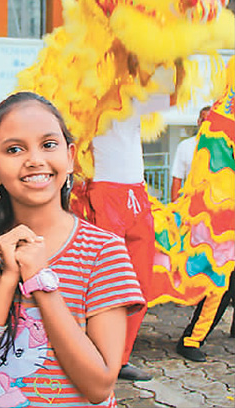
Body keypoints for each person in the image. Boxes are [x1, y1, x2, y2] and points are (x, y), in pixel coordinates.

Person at [0, 91, 145, 407]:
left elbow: (99, 385)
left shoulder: (104, 252)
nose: (34, 159)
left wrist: (40, 281)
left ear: (70, 157)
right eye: (14, 149)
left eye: (48, 145)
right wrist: (7, 281)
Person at [88, 63, 183, 381]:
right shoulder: (81, 99)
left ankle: (120, 358)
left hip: (137, 195)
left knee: (139, 282)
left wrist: (178, 55)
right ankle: (97, 354)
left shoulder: (132, 95)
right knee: (107, 281)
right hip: (104, 193)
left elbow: (173, 96)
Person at [170, 106, 211, 202]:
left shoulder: (226, 147)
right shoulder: (185, 146)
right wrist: (174, 205)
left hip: (218, 206)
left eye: (210, 121)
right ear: (198, 122)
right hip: (191, 204)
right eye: (204, 121)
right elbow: (177, 178)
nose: (207, 124)